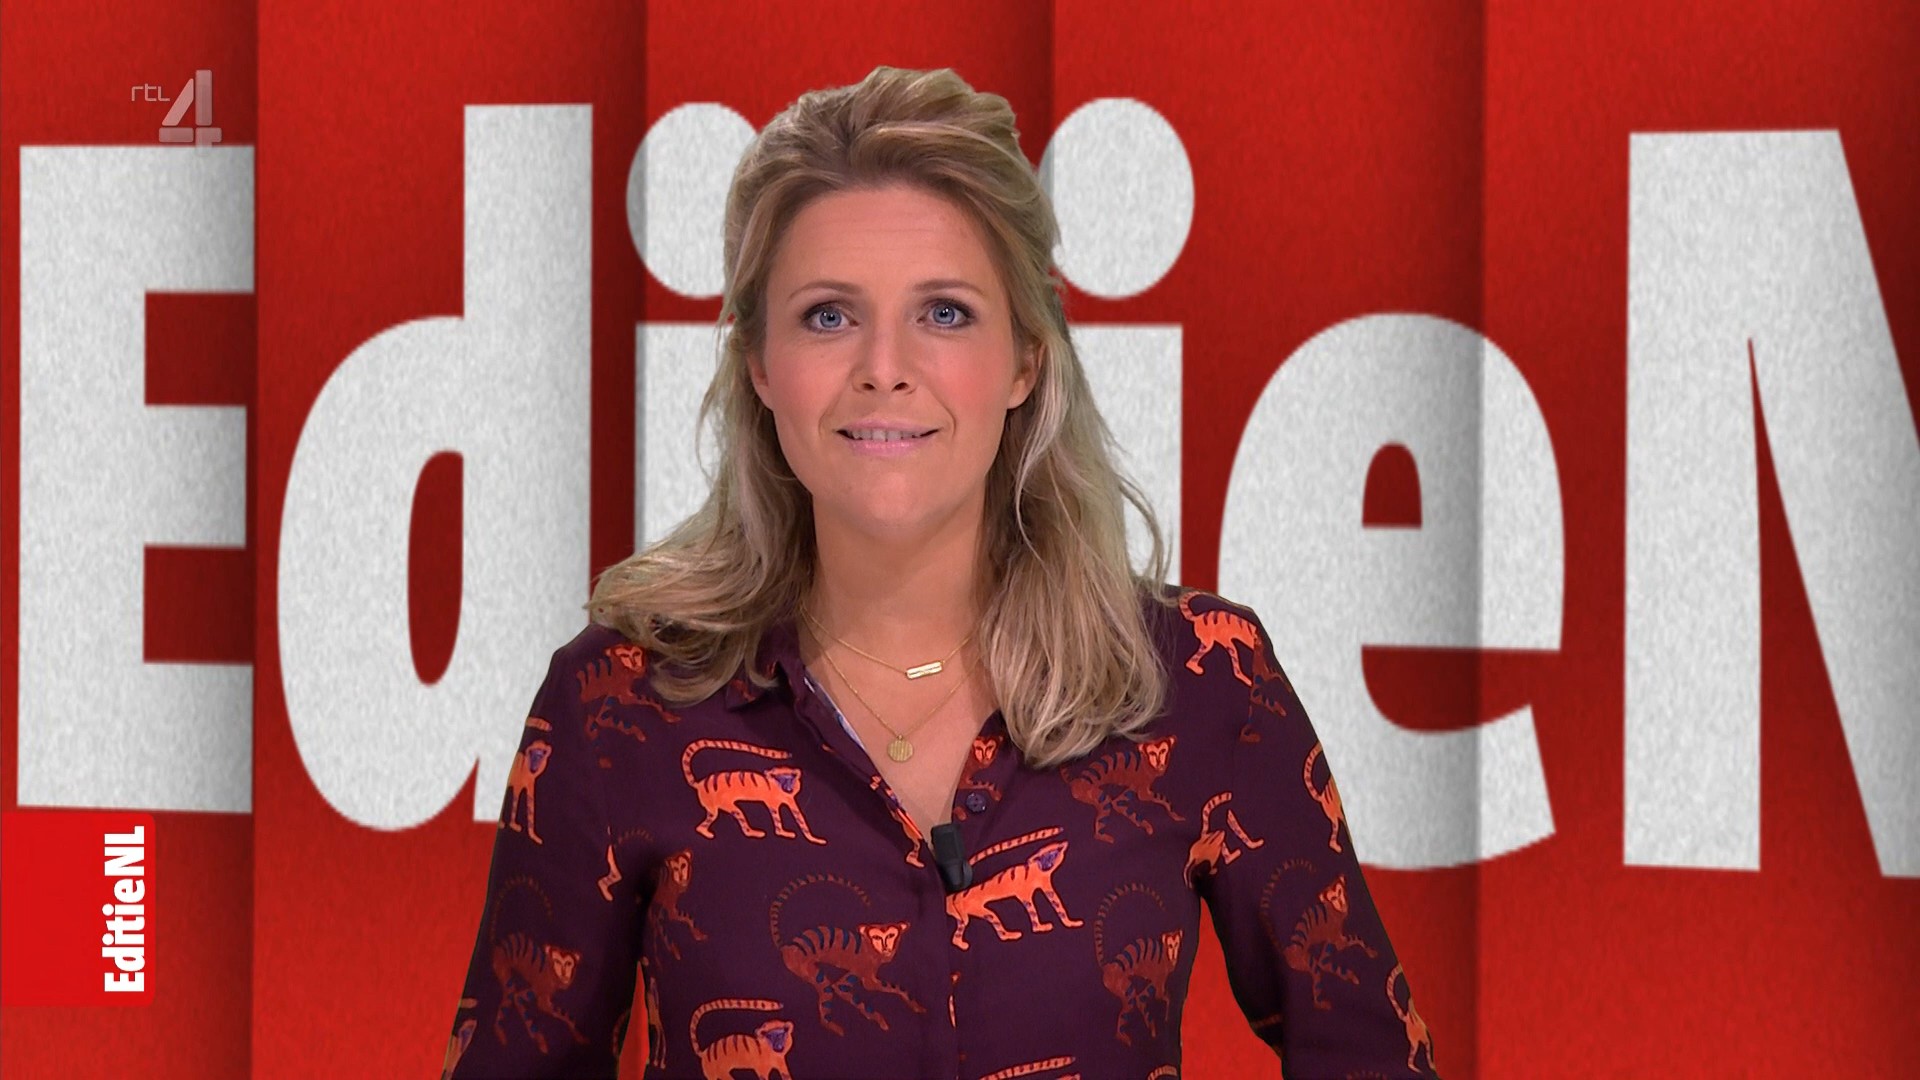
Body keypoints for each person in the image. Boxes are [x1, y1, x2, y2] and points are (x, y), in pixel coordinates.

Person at [442, 65, 1439, 1080]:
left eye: (946, 313)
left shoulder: (1203, 677)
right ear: (759, 364)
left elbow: (1370, 1055)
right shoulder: (617, 701)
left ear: (1026, 361)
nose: (884, 366)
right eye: (828, 316)